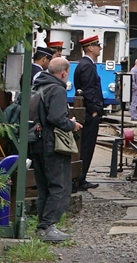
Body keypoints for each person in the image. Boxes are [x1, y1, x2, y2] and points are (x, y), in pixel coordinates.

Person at [30, 56, 81, 242]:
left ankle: (42, 226)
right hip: (52, 144)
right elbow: (56, 118)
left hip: (36, 143)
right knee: (59, 186)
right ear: (64, 72)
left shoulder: (37, 87)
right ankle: (48, 226)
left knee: (44, 187)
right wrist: (72, 124)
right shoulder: (57, 89)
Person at [72, 35, 106, 191]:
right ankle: (80, 178)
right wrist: (94, 111)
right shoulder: (87, 66)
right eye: (98, 45)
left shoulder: (86, 64)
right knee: (86, 147)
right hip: (89, 113)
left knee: (86, 146)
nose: (100, 48)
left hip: (88, 111)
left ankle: (80, 177)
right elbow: (89, 90)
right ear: (91, 48)